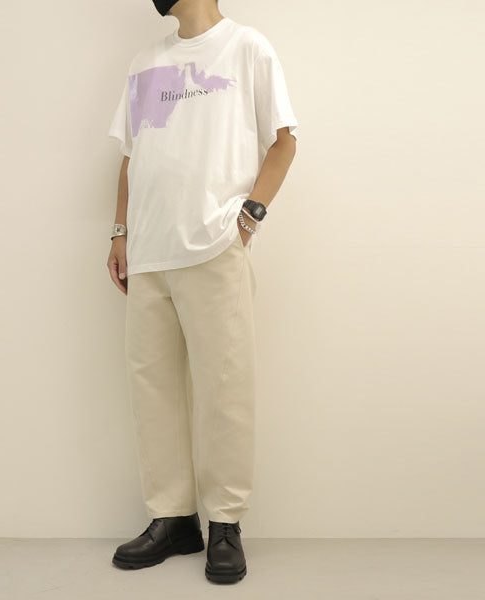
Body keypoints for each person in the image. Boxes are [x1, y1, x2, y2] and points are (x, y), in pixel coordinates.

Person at [106, 0, 297, 584]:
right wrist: (121, 233)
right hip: (150, 252)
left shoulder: (246, 48)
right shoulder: (145, 61)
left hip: (214, 245)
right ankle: (173, 517)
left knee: (224, 389)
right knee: (152, 388)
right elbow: (131, 156)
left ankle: (225, 524)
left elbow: (283, 141)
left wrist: (250, 216)